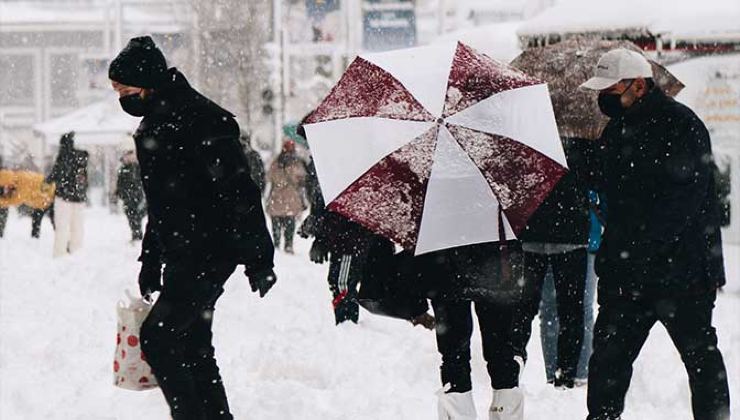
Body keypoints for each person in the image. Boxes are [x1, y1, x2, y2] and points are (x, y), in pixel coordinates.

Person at [109, 35, 276, 420]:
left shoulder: (202, 119)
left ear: (145, 82)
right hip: (184, 250)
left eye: (123, 89)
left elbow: (241, 191)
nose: (120, 98)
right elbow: (162, 203)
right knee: (192, 343)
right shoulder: (156, 121)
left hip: (210, 249)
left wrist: (259, 258)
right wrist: (150, 260)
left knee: (160, 338)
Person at [580, 48, 730, 420]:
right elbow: (613, 191)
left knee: (700, 358)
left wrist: (636, 248)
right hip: (627, 275)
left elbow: (684, 200)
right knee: (608, 362)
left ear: (639, 85)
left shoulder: (682, 124)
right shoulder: (615, 130)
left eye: (611, 88)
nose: (605, 98)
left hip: (684, 273)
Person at [511, 137, 590, 389]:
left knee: (525, 309)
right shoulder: (582, 137)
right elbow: (596, 178)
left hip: (531, 230)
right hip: (570, 233)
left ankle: (512, 366)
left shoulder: (529, 135)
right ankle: (565, 375)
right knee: (571, 310)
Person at [46, 132, 89, 257]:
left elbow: (54, 175)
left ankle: (60, 252)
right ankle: (76, 250)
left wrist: (47, 181)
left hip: (63, 197)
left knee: (62, 226)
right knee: (77, 226)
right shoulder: (81, 157)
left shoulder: (63, 157)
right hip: (79, 198)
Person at [266, 139, 306, 254]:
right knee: (289, 223)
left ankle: (276, 243)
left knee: (276, 223)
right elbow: (302, 178)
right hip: (291, 197)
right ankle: (288, 245)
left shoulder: (276, 162)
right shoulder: (297, 163)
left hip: (277, 197)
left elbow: (269, 177)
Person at [114, 150, 146, 241]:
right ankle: (136, 234)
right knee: (131, 217)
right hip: (128, 198)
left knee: (137, 216)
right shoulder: (124, 169)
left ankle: (137, 234)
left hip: (137, 197)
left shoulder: (137, 167)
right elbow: (120, 183)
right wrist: (119, 193)